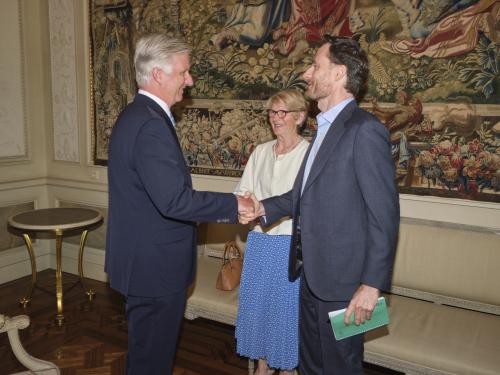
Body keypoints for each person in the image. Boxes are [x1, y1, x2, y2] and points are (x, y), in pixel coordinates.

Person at [242, 36, 400, 374]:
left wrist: (371, 286)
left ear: (340, 74)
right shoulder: (321, 131)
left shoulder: (365, 130)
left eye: (316, 65)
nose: (307, 71)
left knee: (341, 367)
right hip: (308, 277)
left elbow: (383, 216)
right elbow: (301, 196)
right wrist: (261, 208)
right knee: (311, 366)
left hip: (345, 286)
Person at [105, 34, 254, 375]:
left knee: (145, 357)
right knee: (152, 362)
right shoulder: (150, 125)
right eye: (184, 72)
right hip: (154, 269)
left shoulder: (135, 115)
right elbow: (174, 200)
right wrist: (236, 204)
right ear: (158, 74)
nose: (190, 79)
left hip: (142, 264)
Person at [235, 89, 310, 375]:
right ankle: (261, 368)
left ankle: (288, 369)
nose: (275, 118)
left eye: (283, 113)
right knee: (258, 309)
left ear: (300, 117)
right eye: (272, 112)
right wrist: (243, 206)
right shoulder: (261, 151)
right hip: (259, 242)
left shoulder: (309, 154)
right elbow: (244, 190)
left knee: (286, 314)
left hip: (292, 246)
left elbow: (306, 201)